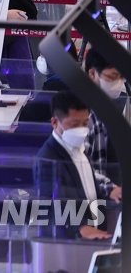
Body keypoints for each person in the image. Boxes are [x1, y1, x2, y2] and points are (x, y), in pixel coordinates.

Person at [34, 90, 115, 240]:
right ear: (54, 122)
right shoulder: (47, 159)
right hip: (68, 243)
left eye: (85, 123)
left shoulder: (79, 148)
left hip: (95, 236)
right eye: (74, 124)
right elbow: (49, 206)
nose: (82, 130)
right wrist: (80, 227)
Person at [84, 49, 127, 185]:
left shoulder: (104, 106)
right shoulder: (83, 116)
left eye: (123, 76)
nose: (120, 83)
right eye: (113, 77)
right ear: (92, 73)